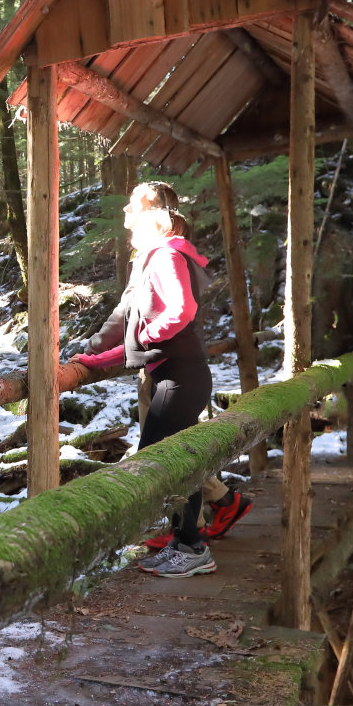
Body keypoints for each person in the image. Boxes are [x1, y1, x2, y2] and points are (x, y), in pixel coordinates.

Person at [71, 182, 247, 577]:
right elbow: (135, 339)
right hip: (174, 375)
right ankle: (186, 543)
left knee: (160, 464)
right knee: (173, 464)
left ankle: (191, 547)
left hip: (181, 378)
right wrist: (93, 360)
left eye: (134, 207)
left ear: (154, 217)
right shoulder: (150, 258)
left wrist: (150, 335)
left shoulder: (167, 255)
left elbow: (182, 311)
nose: (126, 214)